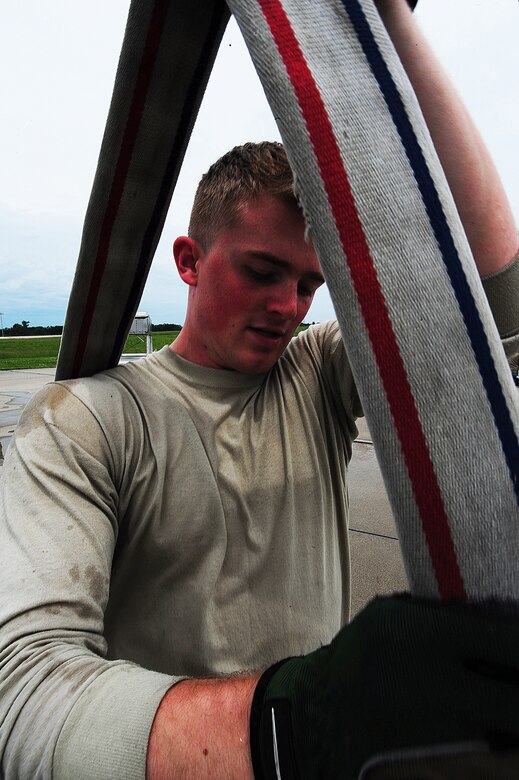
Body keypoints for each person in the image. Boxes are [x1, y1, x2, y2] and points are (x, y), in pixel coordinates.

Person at [0, 1, 518, 778]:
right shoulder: (86, 421)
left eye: (309, 284)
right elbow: (24, 694)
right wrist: (293, 724)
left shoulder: (313, 374)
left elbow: (491, 312)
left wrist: (390, 20)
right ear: (187, 260)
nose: (289, 306)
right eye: (261, 271)